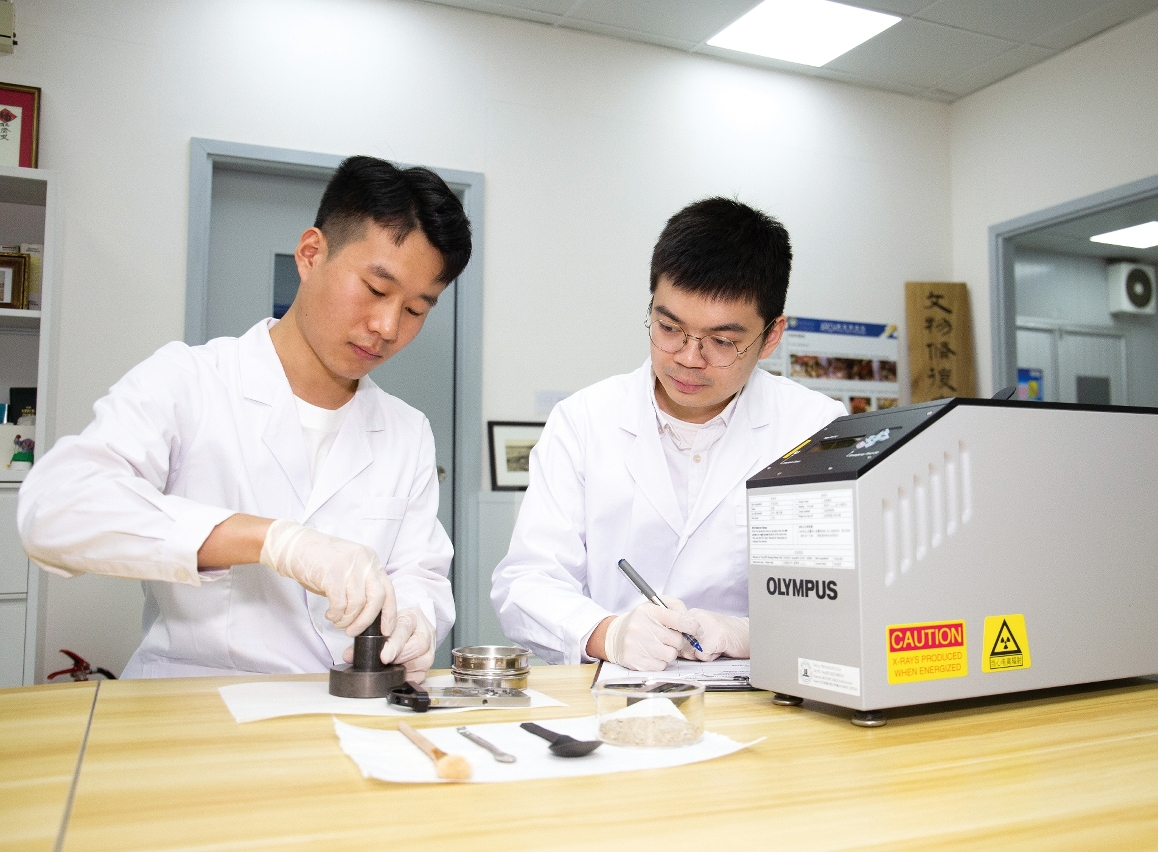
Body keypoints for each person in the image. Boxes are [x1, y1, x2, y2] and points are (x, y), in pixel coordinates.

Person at [18, 156, 471, 684]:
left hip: (341, 705)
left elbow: (419, 573)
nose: (388, 326)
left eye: (416, 310)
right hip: (193, 703)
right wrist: (274, 541)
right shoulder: (189, 381)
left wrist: (416, 620)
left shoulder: (406, 431)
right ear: (310, 254)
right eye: (375, 290)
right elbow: (55, 512)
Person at [491, 197, 846, 669]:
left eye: (722, 341)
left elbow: (843, 596)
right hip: (610, 690)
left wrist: (747, 632)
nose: (688, 358)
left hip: (762, 692)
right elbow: (526, 583)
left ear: (771, 336)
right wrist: (606, 633)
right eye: (669, 327)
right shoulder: (584, 421)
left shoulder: (815, 428)